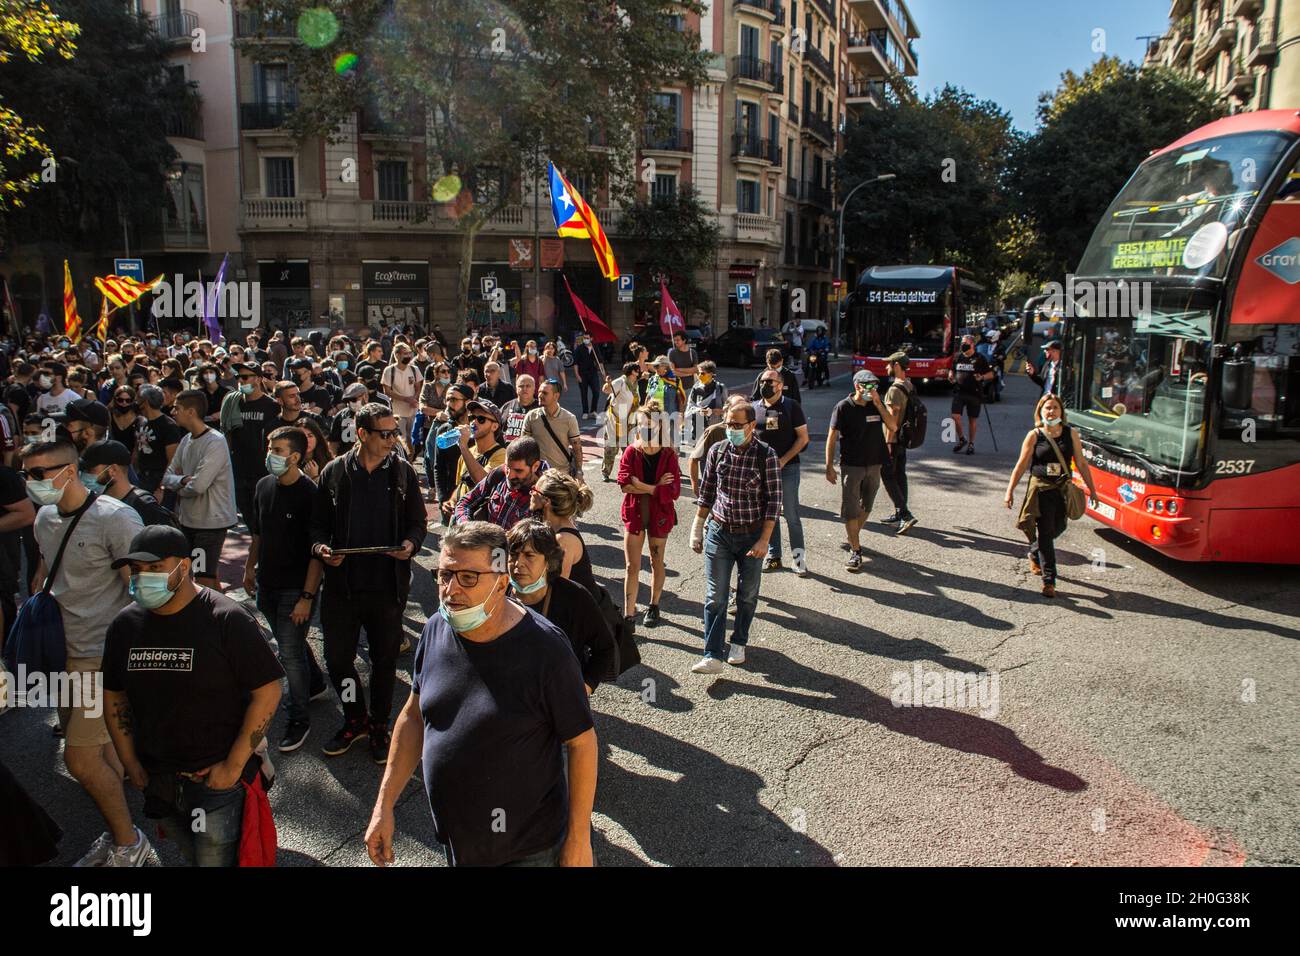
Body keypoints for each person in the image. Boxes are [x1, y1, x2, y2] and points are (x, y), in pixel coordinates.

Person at [364, 521, 596, 868]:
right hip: (458, 840)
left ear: (502, 583)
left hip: (527, 851)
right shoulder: (435, 629)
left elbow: (581, 743)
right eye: (444, 575)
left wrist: (579, 840)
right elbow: (414, 716)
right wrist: (384, 806)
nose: (450, 590)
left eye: (468, 578)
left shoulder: (546, 649)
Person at [102, 525, 283, 867]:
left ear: (184, 567)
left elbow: (268, 690)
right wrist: (130, 763)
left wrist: (232, 766)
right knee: (190, 856)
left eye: (155, 568)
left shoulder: (226, 619)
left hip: (217, 785)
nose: (143, 577)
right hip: (159, 783)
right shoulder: (124, 626)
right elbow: (114, 696)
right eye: (137, 570)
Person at [20, 436, 147, 866]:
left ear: (69, 471)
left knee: (78, 758)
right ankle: (134, 816)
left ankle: (129, 843)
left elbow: (142, 586)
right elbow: (45, 567)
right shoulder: (44, 518)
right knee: (104, 747)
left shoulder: (115, 518)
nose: (32, 482)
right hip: (62, 652)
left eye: (39, 474)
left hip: (100, 656)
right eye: (27, 474)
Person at [311, 403, 426, 764]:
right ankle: (354, 718)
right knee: (338, 660)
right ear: (362, 434)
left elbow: (417, 522)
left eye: (395, 432)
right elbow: (315, 526)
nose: (393, 439)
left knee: (385, 661)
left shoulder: (402, 473)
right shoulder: (335, 472)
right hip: (342, 590)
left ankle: (378, 723)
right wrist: (321, 548)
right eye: (386, 434)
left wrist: (410, 545)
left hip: (387, 589)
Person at [245, 426, 328, 752]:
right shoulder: (264, 485)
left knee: (288, 653)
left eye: (277, 450)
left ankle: (298, 719)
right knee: (288, 642)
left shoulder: (311, 495)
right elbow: (257, 532)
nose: (271, 454)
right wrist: (249, 566)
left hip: (295, 589)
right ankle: (316, 683)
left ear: (295, 456)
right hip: (267, 584)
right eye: (270, 447)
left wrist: (307, 597)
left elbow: (316, 551)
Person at [689, 401, 781, 673]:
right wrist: (697, 528)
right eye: (728, 423)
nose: (731, 429)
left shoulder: (766, 455)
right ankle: (712, 654)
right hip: (719, 532)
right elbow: (706, 493)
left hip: (752, 536)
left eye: (737, 425)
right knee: (715, 596)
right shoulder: (718, 451)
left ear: (752, 425)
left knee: (747, 594)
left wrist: (765, 540)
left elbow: (774, 503)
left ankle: (739, 641)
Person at [1005, 394, 1098, 599]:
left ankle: (1034, 551)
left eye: (1055, 408)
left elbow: (1081, 463)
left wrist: (1093, 490)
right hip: (1041, 490)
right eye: (1047, 408)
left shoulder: (1070, 433)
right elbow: (1021, 465)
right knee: (1046, 533)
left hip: (1062, 490)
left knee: (1060, 527)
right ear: (1040, 411)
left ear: (1061, 412)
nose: (1051, 411)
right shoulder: (1034, 435)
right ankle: (1049, 581)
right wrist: (1010, 490)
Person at [506, 520, 616, 692]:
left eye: (529, 555)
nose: (518, 563)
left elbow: (605, 648)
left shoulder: (574, 597)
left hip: (557, 700)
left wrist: (585, 687)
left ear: (549, 562)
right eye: (513, 554)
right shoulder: (497, 592)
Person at [162, 390, 237, 592]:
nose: (172, 412)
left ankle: (207, 617)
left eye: (177, 408)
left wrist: (180, 485)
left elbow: (199, 485)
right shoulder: (186, 440)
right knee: (203, 572)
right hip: (188, 520)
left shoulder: (215, 441)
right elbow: (167, 476)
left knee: (202, 575)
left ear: (191, 412)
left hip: (209, 523)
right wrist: (183, 480)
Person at [617, 405, 681, 628]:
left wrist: (642, 485)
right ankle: (628, 614)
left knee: (656, 562)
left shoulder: (668, 454)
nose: (644, 428)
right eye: (641, 424)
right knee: (631, 566)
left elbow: (673, 492)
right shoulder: (631, 452)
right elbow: (624, 485)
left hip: (659, 516)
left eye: (649, 425)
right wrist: (656, 487)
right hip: (635, 515)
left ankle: (654, 605)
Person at [826, 371, 895, 572]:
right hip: (852, 466)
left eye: (875, 386)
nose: (872, 390)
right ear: (858, 386)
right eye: (869, 386)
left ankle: (852, 536)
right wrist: (828, 466)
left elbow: (893, 425)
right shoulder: (843, 407)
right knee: (851, 509)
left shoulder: (876, 404)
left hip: (875, 464)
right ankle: (856, 550)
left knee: (867, 505)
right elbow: (832, 438)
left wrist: (880, 404)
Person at [753, 367, 810, 576]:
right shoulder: (754, 407)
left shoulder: (791, 406)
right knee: (770, 514)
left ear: (780, 385)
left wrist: (783, 460)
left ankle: (799, 560)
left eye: (770, 381)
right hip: (762, 471)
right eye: (762, 381)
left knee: (792, 515)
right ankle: (774, 556)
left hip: (788, 468)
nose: (765, 385)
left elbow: (803, 438)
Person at [224, 363, 281, 527]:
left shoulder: (272, 406)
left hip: (262, 471)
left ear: (257, 379)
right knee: (248, 517)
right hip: (239, 470)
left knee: (266, 518)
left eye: (245, 377)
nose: (241, 381)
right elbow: (228, 434)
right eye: (238, 377)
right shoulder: (233, 403)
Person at [528, 470, 599, 598]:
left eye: (534, 490)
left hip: (582, 613)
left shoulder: (563, 540)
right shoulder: (555, 527)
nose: (531, 493)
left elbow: (557, 590)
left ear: (546, 501)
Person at [453, 436, 549, 529]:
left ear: (535, 466)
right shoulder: (499, 474)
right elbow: (465, 502)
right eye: (508, 467)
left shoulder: (545, 497)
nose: (509, 475)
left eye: (518, 471)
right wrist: (465, 525)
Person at [80, 440, 176, 528]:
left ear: (113, 470)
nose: (85, 475)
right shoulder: (96, 502)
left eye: (91, 470)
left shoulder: (146, 507)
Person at [446, 399, 508, 517]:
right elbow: (462, 484)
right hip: (460, 519)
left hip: (478, 525)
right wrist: (452, 501)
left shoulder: (502, 455)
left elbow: (484, 483)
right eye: (471, 418)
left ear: (494, 426)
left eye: (481, 419)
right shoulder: (468, 452)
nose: (474, 422)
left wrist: (463, 447)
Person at [880, 352, 918, 535]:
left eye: (889, 364)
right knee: (899, 474)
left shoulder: (895, 390)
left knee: (887, 475)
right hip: (904, 439)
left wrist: (887, 443)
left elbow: (892, 422)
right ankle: (899, 511)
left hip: (893, 440)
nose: (886, 367)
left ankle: (905, 513)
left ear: (896, 365)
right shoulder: (909, 385)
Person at [688, 394, 751, 497]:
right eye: (737, 407)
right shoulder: (715, 431)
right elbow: (693, 459)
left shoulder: (750, 431)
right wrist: (695, 487)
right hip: (717, 494)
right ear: (727, 410)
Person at [431, 383, 473, 519]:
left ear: (468, 402)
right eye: (447, 399)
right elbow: (439, 467)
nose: (449, 404)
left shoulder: (479, 428)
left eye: (454, 400)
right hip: (450, 500)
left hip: (473, 497)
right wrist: (442, 499)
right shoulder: (443, 431)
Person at [524, 378, 582, 476]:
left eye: (545, 393)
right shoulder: (531, 416)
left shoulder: (569, 418)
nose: (540, 395)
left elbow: (577, 448)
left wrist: (579, 472)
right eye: (539, 392)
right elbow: (524, 445)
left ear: (556, 396)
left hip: (561, 474)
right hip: (538, 474)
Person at [949, 334, 995, 455]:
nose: (963, 346)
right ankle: (962, 439)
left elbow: (990, 374)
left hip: (974, 393)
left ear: (972, 345)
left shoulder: (980, 358)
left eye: (965, 344)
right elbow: (952, 369)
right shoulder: (958, 357)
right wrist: (951, 376)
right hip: (959, 392)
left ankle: (971, 443)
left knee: (972, 420)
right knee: (955, 416)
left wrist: (982, 377)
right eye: (962, 344)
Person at [599, 363, 639, 482]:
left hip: (630, 420)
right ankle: (605, 472)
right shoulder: (620, 382)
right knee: (611, 447)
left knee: (628, 448)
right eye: (637, 370)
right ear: (632, 372)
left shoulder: (635, 384)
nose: (639, 372)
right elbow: (606, 390)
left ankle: (626, 473)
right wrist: (608, 383)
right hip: (615, 420)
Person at [381, 342, 423, 451]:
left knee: (412, 438)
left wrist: (414, 398)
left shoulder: (414, 369)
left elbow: (418, 387)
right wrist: (405, 399)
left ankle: (411, 460)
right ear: (397, 355)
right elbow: (387, 391)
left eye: (410, 353)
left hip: (413, 410)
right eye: (405, 353)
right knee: (401, 438)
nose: (408, 356)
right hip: (398, 412)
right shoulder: (389, 371)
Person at [684, 359, 726, 445]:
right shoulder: (696, 388)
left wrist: (716, 411)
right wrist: (698, 410)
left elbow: (727, 409)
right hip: (698, 431)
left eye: (702, 373)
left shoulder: (721, 388)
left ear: (711, 374)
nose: (699, 376)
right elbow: (688, 410)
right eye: (698, 373)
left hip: (714, 431)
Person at [328, 382, 369, 457]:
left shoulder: (374, 414)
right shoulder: (341, 416)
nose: (350, 403)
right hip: (346, 459)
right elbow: (333, 442)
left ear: (365, 396)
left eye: (354, 399)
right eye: (348, 400)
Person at [499, 373, 537, 443]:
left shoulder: (541, 409)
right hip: (507, 451)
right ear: (516, 389)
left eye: (528, 386)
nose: (524, 389)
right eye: (521, 386)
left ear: (534, 388)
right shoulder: (506, 407)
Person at [572, 334, 603, 421]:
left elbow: (600, 361)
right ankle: (585, 412)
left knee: (596, 392)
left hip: (593, 373)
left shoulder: (595, 348)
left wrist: (603, 373)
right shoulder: (579, 348)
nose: (585, 339)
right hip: (582, 374)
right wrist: (577, 375)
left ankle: (593, 411)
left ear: (591, 338)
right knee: (584, 393)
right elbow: (575, 363)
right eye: (584, 338)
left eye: (587, 338)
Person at [297, 416, 332, 481]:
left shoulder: (329, 462)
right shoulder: (291, 463)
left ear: (317, 438)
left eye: (310, 436)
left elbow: (330, 490)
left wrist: (314, 477)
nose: (306, 440)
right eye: (302, 436)